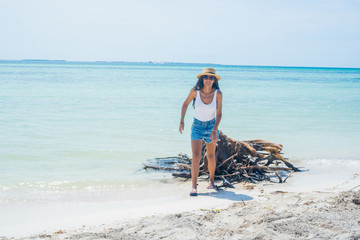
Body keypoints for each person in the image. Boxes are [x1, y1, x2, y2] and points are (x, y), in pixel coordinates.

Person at [179, 68, 223, 196]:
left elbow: (219, 113)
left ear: (214, 80)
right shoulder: (195, 92)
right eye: (206, 77)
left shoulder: (218, 94)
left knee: (210, 156)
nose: (208, 80)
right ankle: (194, 186)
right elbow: (185, 104)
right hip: (197, 126)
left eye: (211, 78)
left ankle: (211, 181)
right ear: (202, 79)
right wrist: (182, 121)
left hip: (211, 126)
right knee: (196, 156)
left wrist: (215, 129)